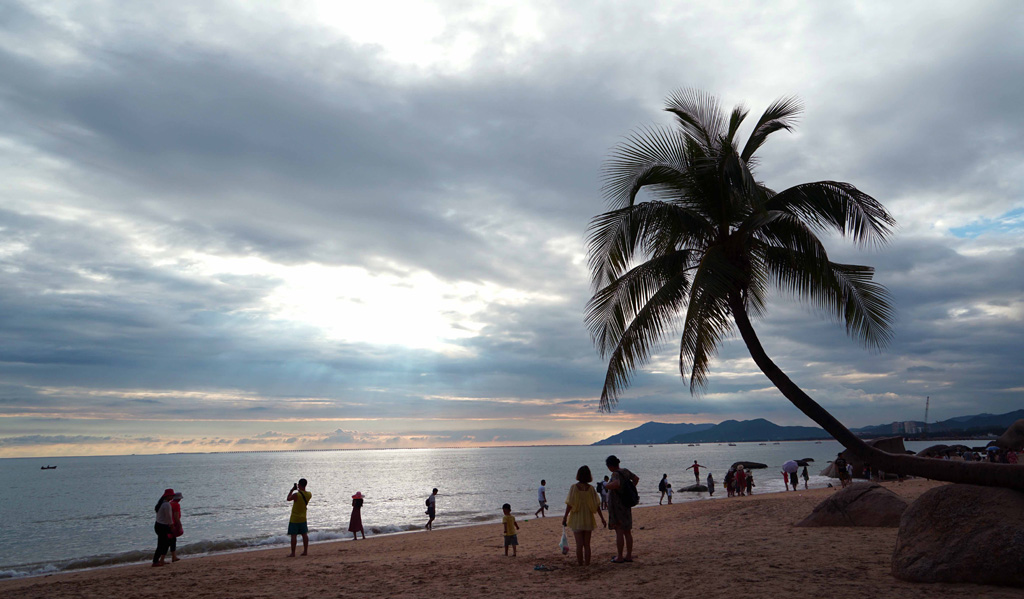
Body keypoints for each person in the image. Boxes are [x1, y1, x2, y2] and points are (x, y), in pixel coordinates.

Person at [561, 465, 605, 566]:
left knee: (579, 545)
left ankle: (580, 563)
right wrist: (602, 518)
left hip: (577, 518)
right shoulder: (591, 489)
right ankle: (587, 563)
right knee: (587, 545)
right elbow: (597, 505)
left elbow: (569, 504)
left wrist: (565, 517)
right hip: (588, 518)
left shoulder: (574, 488)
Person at [604, 455, 638, 564]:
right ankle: (628, 555)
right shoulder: (625, 471)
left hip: (617, 506)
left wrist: (607, 485)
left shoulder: (615, 474)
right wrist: (630, 488)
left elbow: (616, 484)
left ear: (610, 466)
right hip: (626, 504)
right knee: (627, 531)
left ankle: (619, 556)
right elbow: (636, 479)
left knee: (619, 530)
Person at [286, 478, 311, 557]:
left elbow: (288, 498)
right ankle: (305, 551)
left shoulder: (297, 495)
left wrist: (292, 490)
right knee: (304, 534)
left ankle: (293, 553)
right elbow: (303, 494)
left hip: (294, 518)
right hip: (303, 517)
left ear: (299, 485)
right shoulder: (309, 494)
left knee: (294, 535)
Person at [152, 488, 175, 567]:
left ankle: (160, 560)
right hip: (163, 526)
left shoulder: (161, 503)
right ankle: (155, 561)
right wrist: (172, 526)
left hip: (158, 525)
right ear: (168, 496)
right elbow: (169, 517)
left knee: (165, 542)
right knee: (162, 544)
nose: (172, 497)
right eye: (172, 495)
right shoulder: (166, 504)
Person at [169, 492, 183, 563]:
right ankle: (173, 556)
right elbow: (176, 517)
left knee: (168, 540)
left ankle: (173, 556)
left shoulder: (170, 503)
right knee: (173, 541)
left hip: (168, 523)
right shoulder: (176, 505)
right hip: (173, 524)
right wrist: (180, 525)